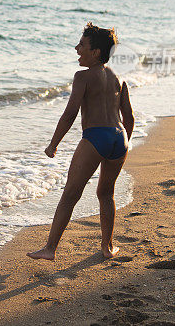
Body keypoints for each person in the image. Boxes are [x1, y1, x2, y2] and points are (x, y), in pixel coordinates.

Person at [27, 23, 134, 261]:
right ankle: (107, 247)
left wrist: (53, 143)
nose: (77, 49)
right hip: (119, 138)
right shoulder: (120, 78)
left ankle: (50, 249)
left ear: (95, 52)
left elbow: (70, 113)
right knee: (106, 194)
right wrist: (124, 141)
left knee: (70, 195)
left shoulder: (82, 77)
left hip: (95, 138)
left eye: (82, 45)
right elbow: (129, 116)